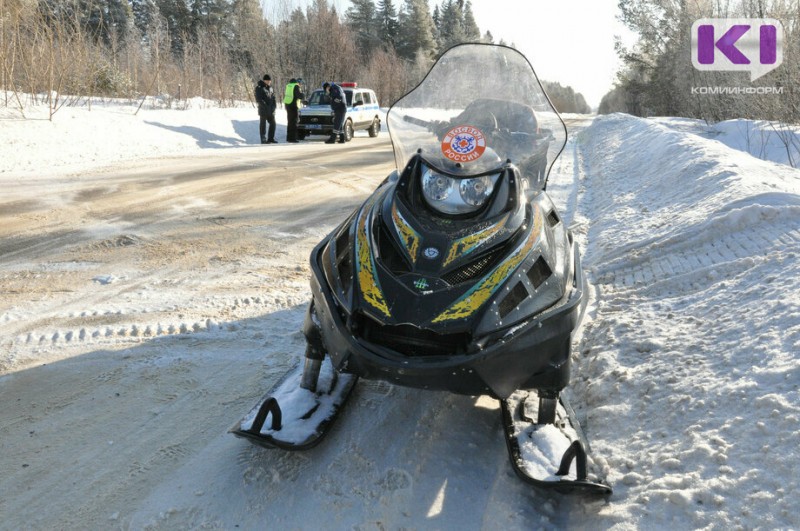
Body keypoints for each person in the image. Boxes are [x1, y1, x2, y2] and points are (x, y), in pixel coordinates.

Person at [255, 74, 277, 144]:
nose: (269, 82)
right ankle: (263, 139)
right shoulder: (259, 88)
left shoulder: (271, 88)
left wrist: (274, 106)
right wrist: (266, 106)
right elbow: (259, 99)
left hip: (271, 110)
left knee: (273, 123)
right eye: (267, 80)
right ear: (264, 80)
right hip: (263, 110)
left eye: (269, 80)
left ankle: (271, 138)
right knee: (263, 125)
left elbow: (273, 98)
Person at [284, 78, 304, 143]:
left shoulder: (288, 86)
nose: (301, 85)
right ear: (298, 82)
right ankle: (293, 138)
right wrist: (302, 94)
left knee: (290, 122)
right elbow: (299, 96)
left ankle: (289, 138)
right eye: (301, 83)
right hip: (293, 106)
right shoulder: (296, 86)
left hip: (288, 105)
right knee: (294, 122)